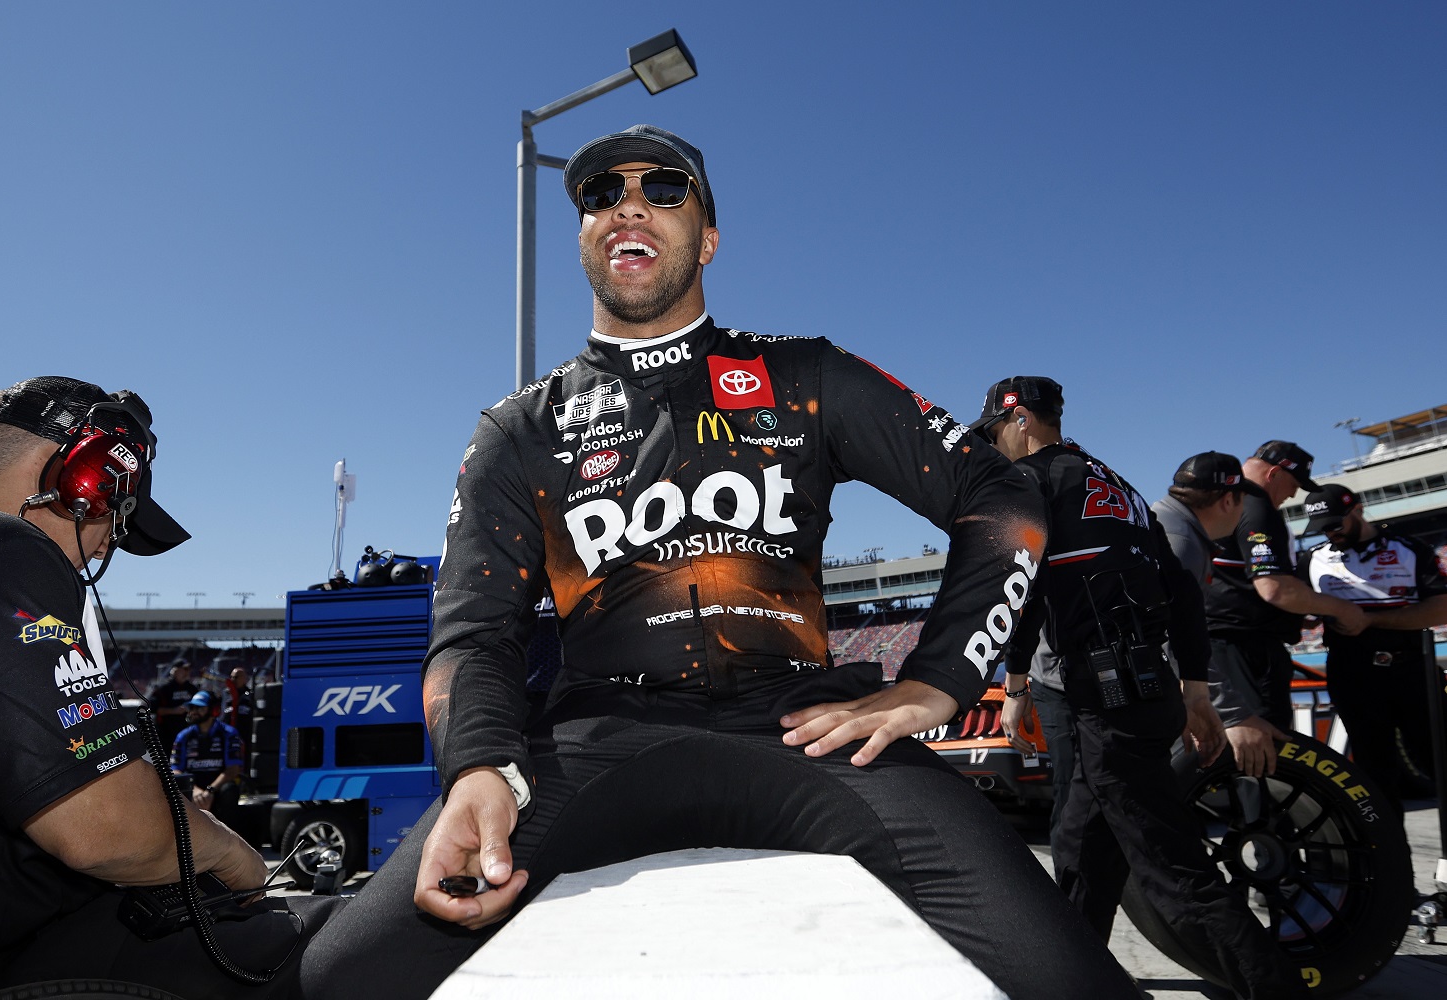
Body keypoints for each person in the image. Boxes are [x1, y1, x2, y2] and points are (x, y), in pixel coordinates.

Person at [302, 125, 1136, 1000]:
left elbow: (1001, 497)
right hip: (595, 740)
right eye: (601, 193)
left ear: (707, 238)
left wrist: (938, 678)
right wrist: (477, 766)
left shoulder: (806, 373)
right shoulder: (519, 429)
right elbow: (473, 632)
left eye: (664, 188)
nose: (628, 202)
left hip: (806, 730)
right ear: (586, 235)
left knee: (1070, 979)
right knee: (343, 973)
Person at [0, 377, 338, 999]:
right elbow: (105, 829)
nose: (110, 542)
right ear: (86, 477)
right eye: (116, 512)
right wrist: (234, 858)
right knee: (337, 952)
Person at [977, 377, 1294, 999]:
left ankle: (1276, 990)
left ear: (1018, 421)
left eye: (993, 433)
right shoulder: (1115, 483)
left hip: (1105, 696)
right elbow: (1179, 588)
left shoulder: (1030, 483)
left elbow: (1016, 589)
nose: (993, 447)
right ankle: (1072, 980)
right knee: (1079, 840)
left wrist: (1014, 682)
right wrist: (1196, 690)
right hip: (1141, 687)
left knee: (1172, 872)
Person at [1205, 442, 1369, 777]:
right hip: (1246, 648)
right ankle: (1261, 825)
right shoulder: (1255, 504)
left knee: (1246, 754)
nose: (1293, 496)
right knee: (1263, 751)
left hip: (1220, 642)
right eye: (1294, 485)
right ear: (1274, 473)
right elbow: (1275, 589)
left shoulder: (1224, 501)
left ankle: (1253, 818)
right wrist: (1341, 608)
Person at [1297, 483, 1447, 815]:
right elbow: (1298, 618)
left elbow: (1441, 608)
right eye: (1322, 528)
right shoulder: (1313, 559)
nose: (1330, 533)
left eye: (1336, 524)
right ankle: (1393, 862)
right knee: (1375, 775)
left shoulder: (1410, 549)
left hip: (1412, 670)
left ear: (1358, 511)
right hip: (1352, 675)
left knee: (1438, 758)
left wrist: (1368, 621)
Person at [1151, 452, 1262, 595]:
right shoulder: (1183, 545)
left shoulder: (1165, 523)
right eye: (1243, 499)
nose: (1243, 509)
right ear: (1227, 501)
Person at [171, 689, 246, 827]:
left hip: (217, 788)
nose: (193, 711)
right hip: (193, 789)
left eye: (199, 708)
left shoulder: (228, 733)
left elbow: (233, 769)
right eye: (192, 707)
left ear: (213, 710)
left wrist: (210, 790)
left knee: (230, 790)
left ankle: (227, 840)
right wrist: (195, 790)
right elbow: (175, 771)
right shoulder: (183, 737)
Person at [148, 656, 198, 750]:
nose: (187, 673)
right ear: (174, 671)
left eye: (188, 670)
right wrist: (175, 711)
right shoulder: (163, 689)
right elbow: (154, 709)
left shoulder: (193, 689)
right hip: (166, 734)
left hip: (188, 732)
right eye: (184, 669)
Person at [223, 664, 256, 733]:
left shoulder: (250, 696)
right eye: (231, 677)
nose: (232, 680)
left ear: (244, 679)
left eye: (236, 677)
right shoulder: (226, 694)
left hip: (243, 733)